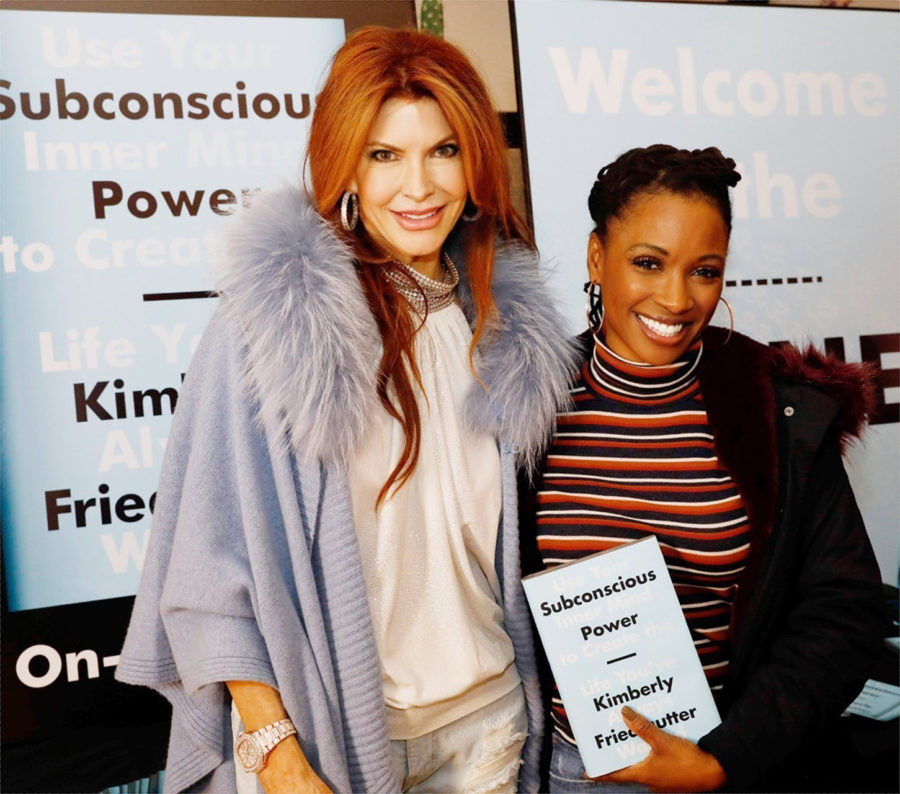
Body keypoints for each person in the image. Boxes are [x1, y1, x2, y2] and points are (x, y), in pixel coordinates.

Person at [115, 27, 576, 794]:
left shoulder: (504, 329)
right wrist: (276, 750)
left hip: (488, 724)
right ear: (346, 167)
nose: (420, 187)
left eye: (444, 150)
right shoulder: (273, 327)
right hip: (328, 736)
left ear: (475, 162)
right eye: (385, 154)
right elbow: (204, 573)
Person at [522, 144, 884, 792]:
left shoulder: (780, 413)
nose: (677, 297)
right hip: (572, 770)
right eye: (648, 263)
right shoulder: (525, 406)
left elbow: (843, 611)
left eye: (704, 270)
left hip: (726, 760)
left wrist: (727, 758)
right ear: (597, 257)